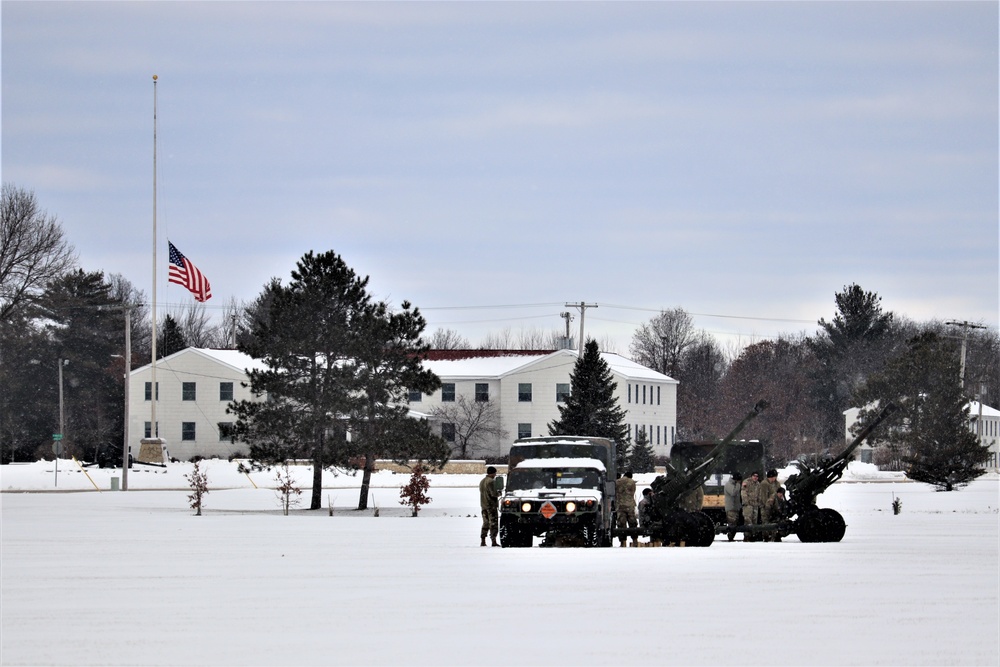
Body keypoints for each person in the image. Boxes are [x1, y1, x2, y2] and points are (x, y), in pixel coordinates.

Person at [615, 471, 638, 547]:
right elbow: (633, 492)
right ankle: (635, 541)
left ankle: (623, 542)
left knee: (621, 524)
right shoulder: (632, 482)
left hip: (620, 505)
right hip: (630, 505)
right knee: (632, 523)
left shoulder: (617, 482)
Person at [479, 466, 500, 547]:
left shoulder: (482, 481)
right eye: (495, 473)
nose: (495, 474)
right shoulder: (491, 482)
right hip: (491, 506)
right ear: (493, 473)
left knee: (485, 523)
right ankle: (493, 541)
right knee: (493, 524)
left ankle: (483, 540)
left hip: (483, 505)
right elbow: (493, 494)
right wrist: (499, 493)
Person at [741, 471, 763, 541]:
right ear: (751, 476)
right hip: (748, 505)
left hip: (755, 505)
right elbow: (743, 492)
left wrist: (759, 502)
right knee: (748, 520)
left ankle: (753, 535)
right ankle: (747, 536)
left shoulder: (758, 484)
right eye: (754, 476)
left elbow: (759, 494)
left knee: (754, 521)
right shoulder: (746, 482)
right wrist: (746, 502)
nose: (755, 477)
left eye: (757, 476)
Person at [723, 472, 743, 541]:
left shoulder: (735, 485)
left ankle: (731, 536)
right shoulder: (729, 484)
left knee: (735, 523)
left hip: (736, 508)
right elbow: (733, 492)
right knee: (732, 524)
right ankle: (730, 537)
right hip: (731, 508)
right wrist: (738, 484)